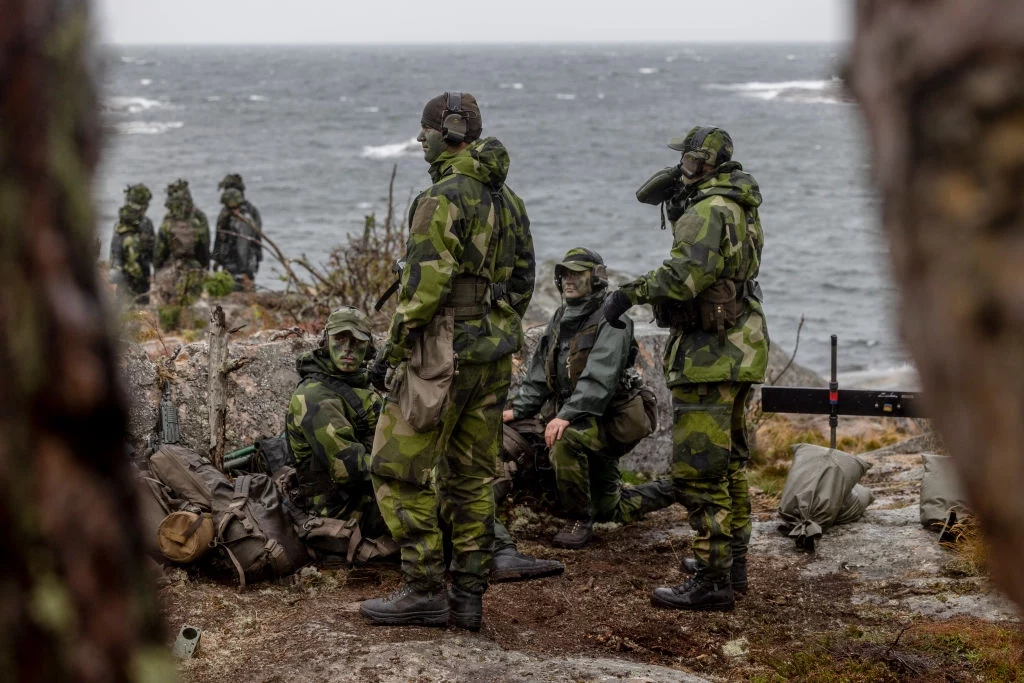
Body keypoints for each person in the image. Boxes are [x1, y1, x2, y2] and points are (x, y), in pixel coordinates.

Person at [361, 92, 535, 631]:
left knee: (395, 465)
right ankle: (468, 598)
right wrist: (496, 326)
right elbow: (524, 281)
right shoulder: (508, 200)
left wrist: (391, 351)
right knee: (472, 477)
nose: (420, 140)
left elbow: (422, 290)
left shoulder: (440, 198)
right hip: (490, 354)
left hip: (441, 354)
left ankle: (422, 588)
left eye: (425, 131)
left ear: (448, 132)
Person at [602, 126, 769, 612]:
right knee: (730, 463)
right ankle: (731, 563)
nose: (681, 167)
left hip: (709, 356)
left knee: (699, 472)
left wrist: (626, 295)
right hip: (740, 347)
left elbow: (681, 278)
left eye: (687, 161)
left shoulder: (708, 211)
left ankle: (713, 578)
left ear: (701, 162)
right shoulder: (740, 204)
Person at [289, 306, 560, 580]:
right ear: (326, 342)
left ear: (369, 347)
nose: (348, 349)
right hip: (346, 506)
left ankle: (495, 552)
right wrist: (415, 470)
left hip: (374, 486)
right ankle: (491, 556)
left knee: (457, 473)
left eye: (357, 342)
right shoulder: (315, 397)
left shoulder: (356, 384)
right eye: (339, 340)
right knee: (438, 490)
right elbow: (348, 469)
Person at [502, 247, 675, 548]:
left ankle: (578, 519)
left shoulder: (612, 318)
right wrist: (519, 409)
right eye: (565, 274)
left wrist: (566, 415)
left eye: (577, 274)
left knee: (563, 439)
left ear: (596, 279)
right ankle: (674, 489)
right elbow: (541, 373)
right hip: (583, 419)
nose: (568, 280)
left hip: (610, 420)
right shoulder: (560, 317)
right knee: (610, 509)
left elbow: (600, 378)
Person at [152, 179, 210, 305]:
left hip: (172, 270)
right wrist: (205, 268)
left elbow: (158, 254)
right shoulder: (199, 220)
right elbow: (205, 248)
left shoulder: (167, 223)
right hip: (195, 269)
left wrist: (156, 271)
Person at [108, 183, 155, 303]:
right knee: (140, 309)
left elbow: (114, 248)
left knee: (123, 303)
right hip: (140, 277)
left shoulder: (120, 223)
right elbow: (153, 251)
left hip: (122, 276)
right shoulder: (145, 223)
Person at [213, 174, 263, 287]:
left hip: (245, 261)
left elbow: (254, 239)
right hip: (230, 260)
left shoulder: (249, 213)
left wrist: (247, 267)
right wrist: (216, 258)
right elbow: (219, 238)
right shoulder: (225, 213)